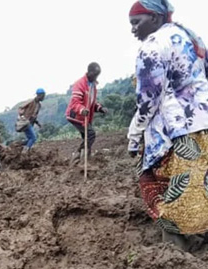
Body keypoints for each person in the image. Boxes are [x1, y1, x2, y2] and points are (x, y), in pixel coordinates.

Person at [127, 0, 208, 250]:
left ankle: (174, 257)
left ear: (154, 18)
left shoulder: (153, 45)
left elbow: (148, 98)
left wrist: (135, 133)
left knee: (166, 191)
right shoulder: (190, 39)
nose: (133, 30)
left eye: (136, 23)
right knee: (200, 187)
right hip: (202, 123)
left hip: (175, 133)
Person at [65, 63, 109, 165]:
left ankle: (81, 159)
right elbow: (75, 103)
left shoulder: (93, 85)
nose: (96, 77)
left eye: (97, 75)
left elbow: (91, 103)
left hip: (84, 116)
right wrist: (82, 110)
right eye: (94, 74)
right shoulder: (80, 84)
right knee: (91, 134)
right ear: (89, 72)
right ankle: (80, 157)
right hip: (75, 116)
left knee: (87, 137)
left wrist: (99, 108)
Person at [17, 88, 46, 153]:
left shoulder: (39, 105)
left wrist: (38, 123)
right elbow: (20, 107)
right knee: (33, 138)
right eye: (43, 95)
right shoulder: (31, 101)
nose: (44, 97)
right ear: (40, 95)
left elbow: (34, 116)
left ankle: (17, 145)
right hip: (25, 123)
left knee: (30, 139)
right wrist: (21, 116)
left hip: (30, 123)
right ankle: (24, 152)